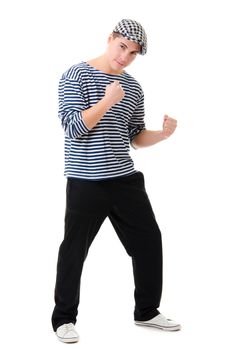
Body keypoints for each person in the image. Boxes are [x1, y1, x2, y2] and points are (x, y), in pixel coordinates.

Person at [51, 18, 181, 343]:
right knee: (74, 251)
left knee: (150, 241)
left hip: (125, 180)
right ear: (110, 38)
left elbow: (135, 138)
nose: (125, 57)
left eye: (133, 53)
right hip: (85, 181)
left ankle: (147, 311)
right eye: (122, 47)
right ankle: (64, 319)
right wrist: (107, 100)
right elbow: (73, 128)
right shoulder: (75, 75)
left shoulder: (133, 87)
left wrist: (161, 135)